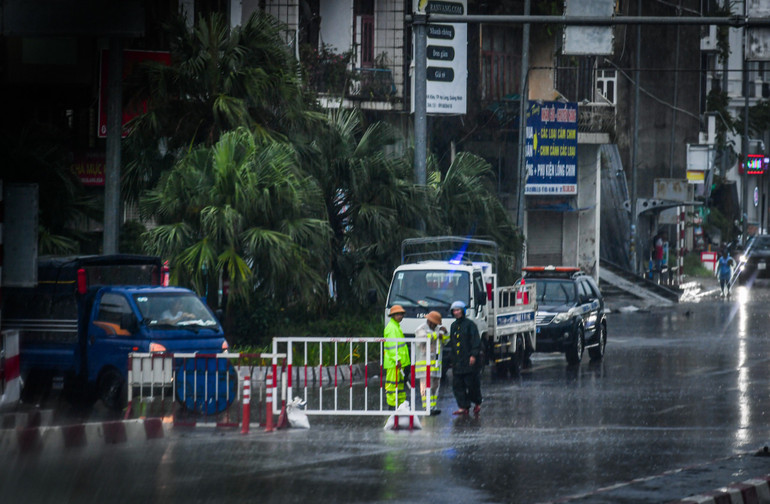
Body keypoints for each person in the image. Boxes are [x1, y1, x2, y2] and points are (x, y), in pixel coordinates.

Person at [449, 300, 482, 416]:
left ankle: (477, 403)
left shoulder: (470, 325)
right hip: (458, 361)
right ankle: (463, 406)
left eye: (458, 310)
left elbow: (475, 341)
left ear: (463, 311)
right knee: (458, 385)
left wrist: (473, 355)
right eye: (454, 310)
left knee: (472, 384)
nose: (456, 312)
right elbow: (453, 344)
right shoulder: (453, 326)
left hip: (469, 360)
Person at [414, 311, 448, 415]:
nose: (435, 325)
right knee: (425, 387)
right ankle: (426, 408)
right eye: (434, 323)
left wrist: (445, 333)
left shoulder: (438, 330)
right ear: (429, 321)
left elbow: (446, 341)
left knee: (435, 386)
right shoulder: (421, 329)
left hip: (436, 364)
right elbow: (423, 339)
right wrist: (438, 334)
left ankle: (433, 406)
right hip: (424, 365)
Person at [383, 304, 411, 410]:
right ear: (393, 315)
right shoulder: (391, 328)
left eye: (401, 314)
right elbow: (391, 346)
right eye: (398, 314)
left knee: (399, 386)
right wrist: (397, 359)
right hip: (393, 364)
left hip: (398, 363)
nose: (400, 316)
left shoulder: (396, 327)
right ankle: (392, 407)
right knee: (392, 386)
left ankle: (399, 407)